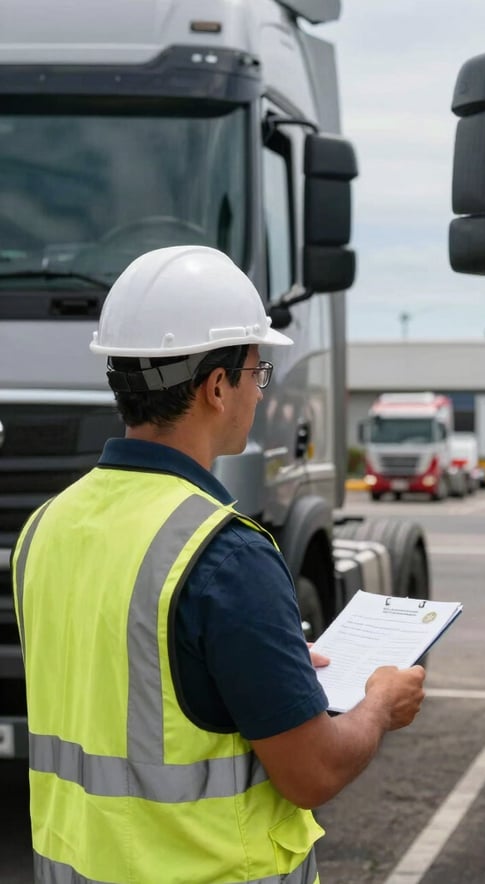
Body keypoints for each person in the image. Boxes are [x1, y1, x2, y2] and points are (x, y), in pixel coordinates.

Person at [12, 245, 426, 884]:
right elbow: (312, 771)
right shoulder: (225, 553)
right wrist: (378, 704)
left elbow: (130, 675)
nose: (261, 394)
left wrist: (261, 660)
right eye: (259, 374)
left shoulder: (45, 526)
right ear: (216, 385)